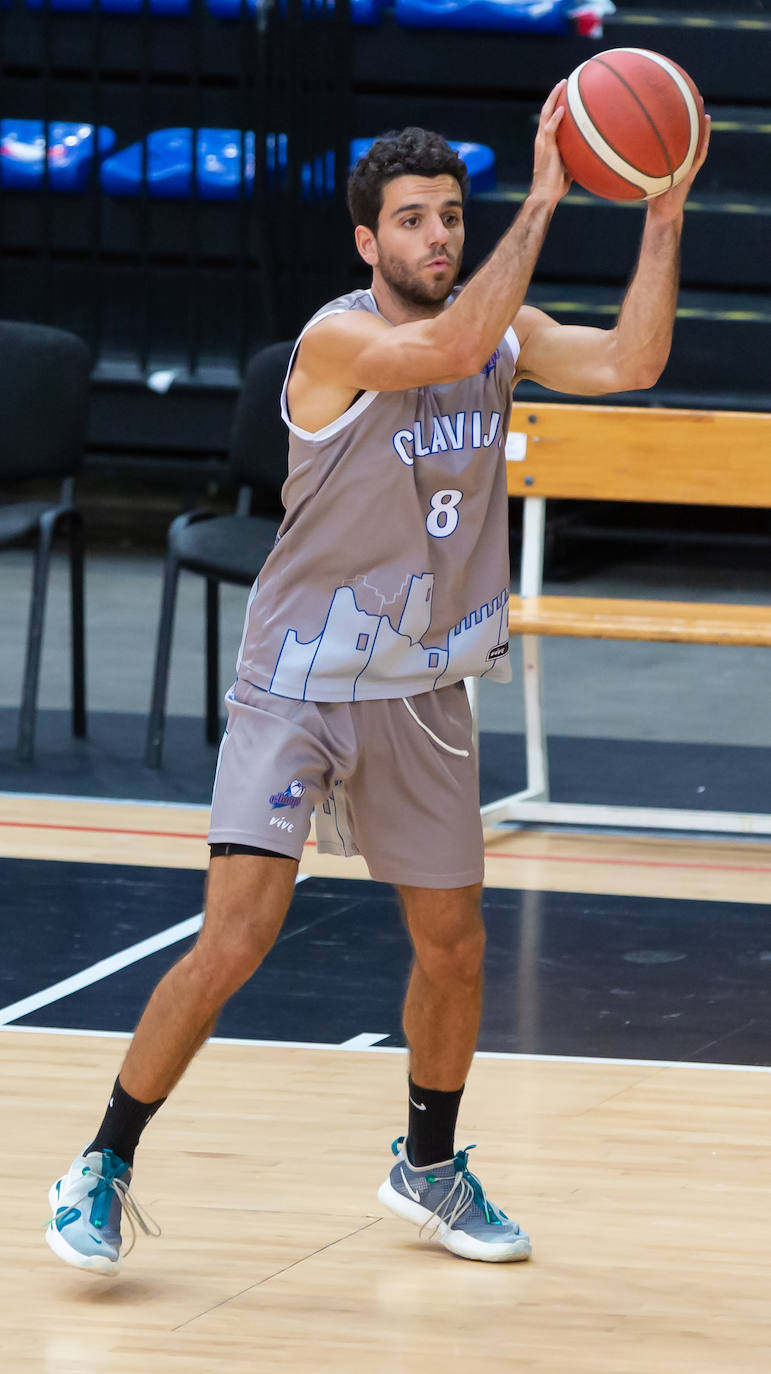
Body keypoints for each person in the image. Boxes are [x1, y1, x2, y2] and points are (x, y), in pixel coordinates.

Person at [46, 84, 710, 1276]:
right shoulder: (336, 339)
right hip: (300, 679)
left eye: (452, 215)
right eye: (412, 220)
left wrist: (663, 210)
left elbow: (634, 359)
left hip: (420, 687)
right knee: (237, 936)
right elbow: (442, 348)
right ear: (368, 241)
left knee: (454, 947)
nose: (438, 237)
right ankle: (104, 1159)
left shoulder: (501, 331)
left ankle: (430, 1165)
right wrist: (551, 191)